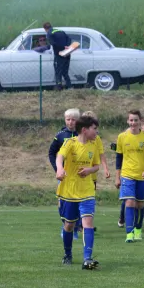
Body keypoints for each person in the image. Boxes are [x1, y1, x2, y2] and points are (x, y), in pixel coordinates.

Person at [55, 115, 101, 270]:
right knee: (69, 225)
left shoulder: (94, 145)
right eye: (94, 129)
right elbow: (59, 156)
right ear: (84, 130)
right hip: (69, 191)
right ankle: (68, 254)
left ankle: (87, 258)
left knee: (88, 222)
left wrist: (89, 170)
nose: (96, 132)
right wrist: (60, 169)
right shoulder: (70, 143)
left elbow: (96, 166)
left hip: (87, 190)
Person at [115, 110, 144, 243]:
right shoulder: (122, 137)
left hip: (142, 176)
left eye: (136, 120)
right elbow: (119, 157)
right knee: (129, 202)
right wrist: (117, 176)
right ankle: (129, 233)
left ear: (140, 121)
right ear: (128, 121)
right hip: (127, 175)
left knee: (139, 204)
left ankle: (138, 229)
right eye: (131, 120)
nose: (133, 123)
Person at [49, 108, 81, 239]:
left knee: (78, 202)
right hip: (64, 176)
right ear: (65, 120)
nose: (71, 122)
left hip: (79, 176)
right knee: (63, 203)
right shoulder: (61, 135)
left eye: (73, 119)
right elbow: (51, 153)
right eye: (68, 119)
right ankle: (65, 226)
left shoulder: (83, 135)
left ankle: (75, 230)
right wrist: (58, 169)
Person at [42, 22, 72, 90]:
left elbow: (53, 43)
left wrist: (62, 47)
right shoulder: (60, 31)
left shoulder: (49, 33)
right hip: (67, 53)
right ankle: (69, 86)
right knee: (65, 71)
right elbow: (69, 39)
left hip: (59, 54)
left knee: (58, 71)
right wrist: (66, 46)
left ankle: (59, 87)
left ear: (45, 29)